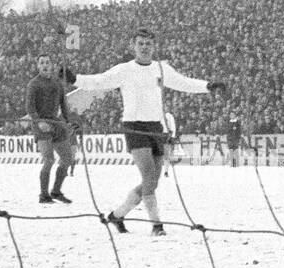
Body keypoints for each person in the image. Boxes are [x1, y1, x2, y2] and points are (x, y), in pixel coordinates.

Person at [70, 28, 226, 235]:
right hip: (135, 127)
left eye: (148, 44)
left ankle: (117, 215)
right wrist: (75, 79)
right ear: (133, 46)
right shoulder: (124, 70)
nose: (144, 47)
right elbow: (100, 80)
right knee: (149, 176)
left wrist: (208, 85)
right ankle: (156, 225)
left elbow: (184, 83)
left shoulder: (161, 69)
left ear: (154, 46)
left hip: (156, 127)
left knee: (152, 181)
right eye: (140, 43)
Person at [25, 52, 75, 203]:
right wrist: (38, 122)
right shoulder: (33, 84)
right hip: (41, 124)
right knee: (49, 159)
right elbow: (30, 107)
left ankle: (56, 191)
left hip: (56, 123)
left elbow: (63, 104)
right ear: (38, 66)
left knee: (67, 158)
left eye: (47, 62)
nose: (45, 65)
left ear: (51, 65)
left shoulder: (57, 83)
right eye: (42, 63)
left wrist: (68, 121)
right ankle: (43, 195)